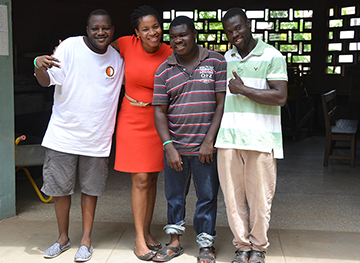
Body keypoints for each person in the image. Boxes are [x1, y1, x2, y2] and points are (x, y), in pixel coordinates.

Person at [33, 9, 124, 262]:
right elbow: (45, 81)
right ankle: (62, 238)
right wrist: (37, 65)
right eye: (95, 28)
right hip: (63, 134)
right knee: (60, 189)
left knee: (90, 190)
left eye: (105, 28)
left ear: (112, 31)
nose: (100, 32)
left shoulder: (117, 59)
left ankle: (86, 241)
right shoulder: (69, 47)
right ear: (87, 29)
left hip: (96, 138)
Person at [214, 8, 288, 263]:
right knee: (233, 199)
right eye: (229, 31)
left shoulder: (272, 56)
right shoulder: (227, 58)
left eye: (238, 28)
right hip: (229, 139)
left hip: (261, 139)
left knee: (259, 199)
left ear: (248, 24)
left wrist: (243, 89)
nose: (235, 35)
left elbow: (280, 96)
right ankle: (242, 246)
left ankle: (259, 247)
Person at [152, 16, 226, 263]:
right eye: (172, 36)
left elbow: (221, 104)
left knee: (207, 196)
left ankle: (205, 244)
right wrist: (169, 147)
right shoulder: (164, 70)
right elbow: (159, 112)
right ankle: (174, 243)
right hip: (176, 148)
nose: (177, 40)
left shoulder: (216, 61)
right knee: (174, 196)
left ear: (194, 34)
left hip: (206, 148)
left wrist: (209, 141)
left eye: (182, 35)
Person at [110, 5, 173, 261]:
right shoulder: (125, 44)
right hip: (132, 118)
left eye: (155, 27)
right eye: (145, 29)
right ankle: (138, 238)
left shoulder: (171, 51)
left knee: (154, 178)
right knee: (140, 179)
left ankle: (147, 232)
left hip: (159, 120)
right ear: (137, 32)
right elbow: (97, 48)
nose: (152, 33)